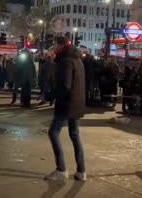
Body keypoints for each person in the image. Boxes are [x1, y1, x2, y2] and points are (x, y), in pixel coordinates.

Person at [45, 37, 86, 181]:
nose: (53, 46)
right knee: (74, 134)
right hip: (77, 103)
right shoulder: (77, 59)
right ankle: (81, 171)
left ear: (61, 46)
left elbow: (66, 85)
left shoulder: (66, 61)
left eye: (55, 44)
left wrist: (52, 95)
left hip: (67, 104)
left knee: (53, 132)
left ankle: (61, 169)